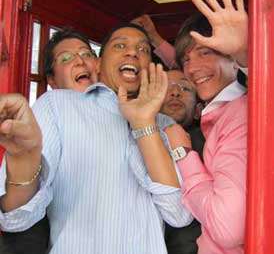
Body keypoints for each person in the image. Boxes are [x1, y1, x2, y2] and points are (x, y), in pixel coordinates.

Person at [0, 23, 192, 254]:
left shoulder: (163, 124)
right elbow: (15, 218)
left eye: (143, 49)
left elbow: (179, 215)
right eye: (120, 45)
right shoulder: (58, 105)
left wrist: (144, 124)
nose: (133, 52)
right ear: (99, 64)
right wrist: (22, 157)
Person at [165, 0, 248, 253]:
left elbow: (227, 229)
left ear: (233, 57)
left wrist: (183, 155)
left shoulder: (239, 114)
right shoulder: (218, 114)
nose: (193, 67)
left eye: (205, 52)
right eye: (186, 59)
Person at [0, 28, 99, 254]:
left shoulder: (124, 112)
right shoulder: (49, 108)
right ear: (52, 80)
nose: (80, 61)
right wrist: (24, 157)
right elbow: (15, 217)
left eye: (87, 54)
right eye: (66, 58)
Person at [161, 69, 204, 254]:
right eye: (164, 86)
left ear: (198, 111)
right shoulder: (129, 140)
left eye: (185, 88)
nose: (175, 92)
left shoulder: (209, 145)